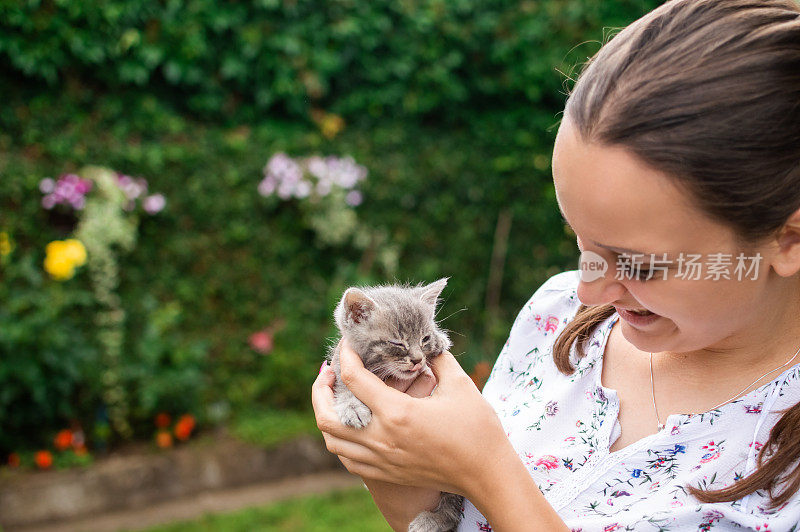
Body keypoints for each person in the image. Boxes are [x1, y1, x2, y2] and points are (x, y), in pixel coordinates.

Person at [311, 0, 800, 529]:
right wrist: (396, 461)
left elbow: (488, 483)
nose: (587, 292)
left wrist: (487, 472)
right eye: (581, 243)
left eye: (637, 264)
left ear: (788, 239)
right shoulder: (556, 316)